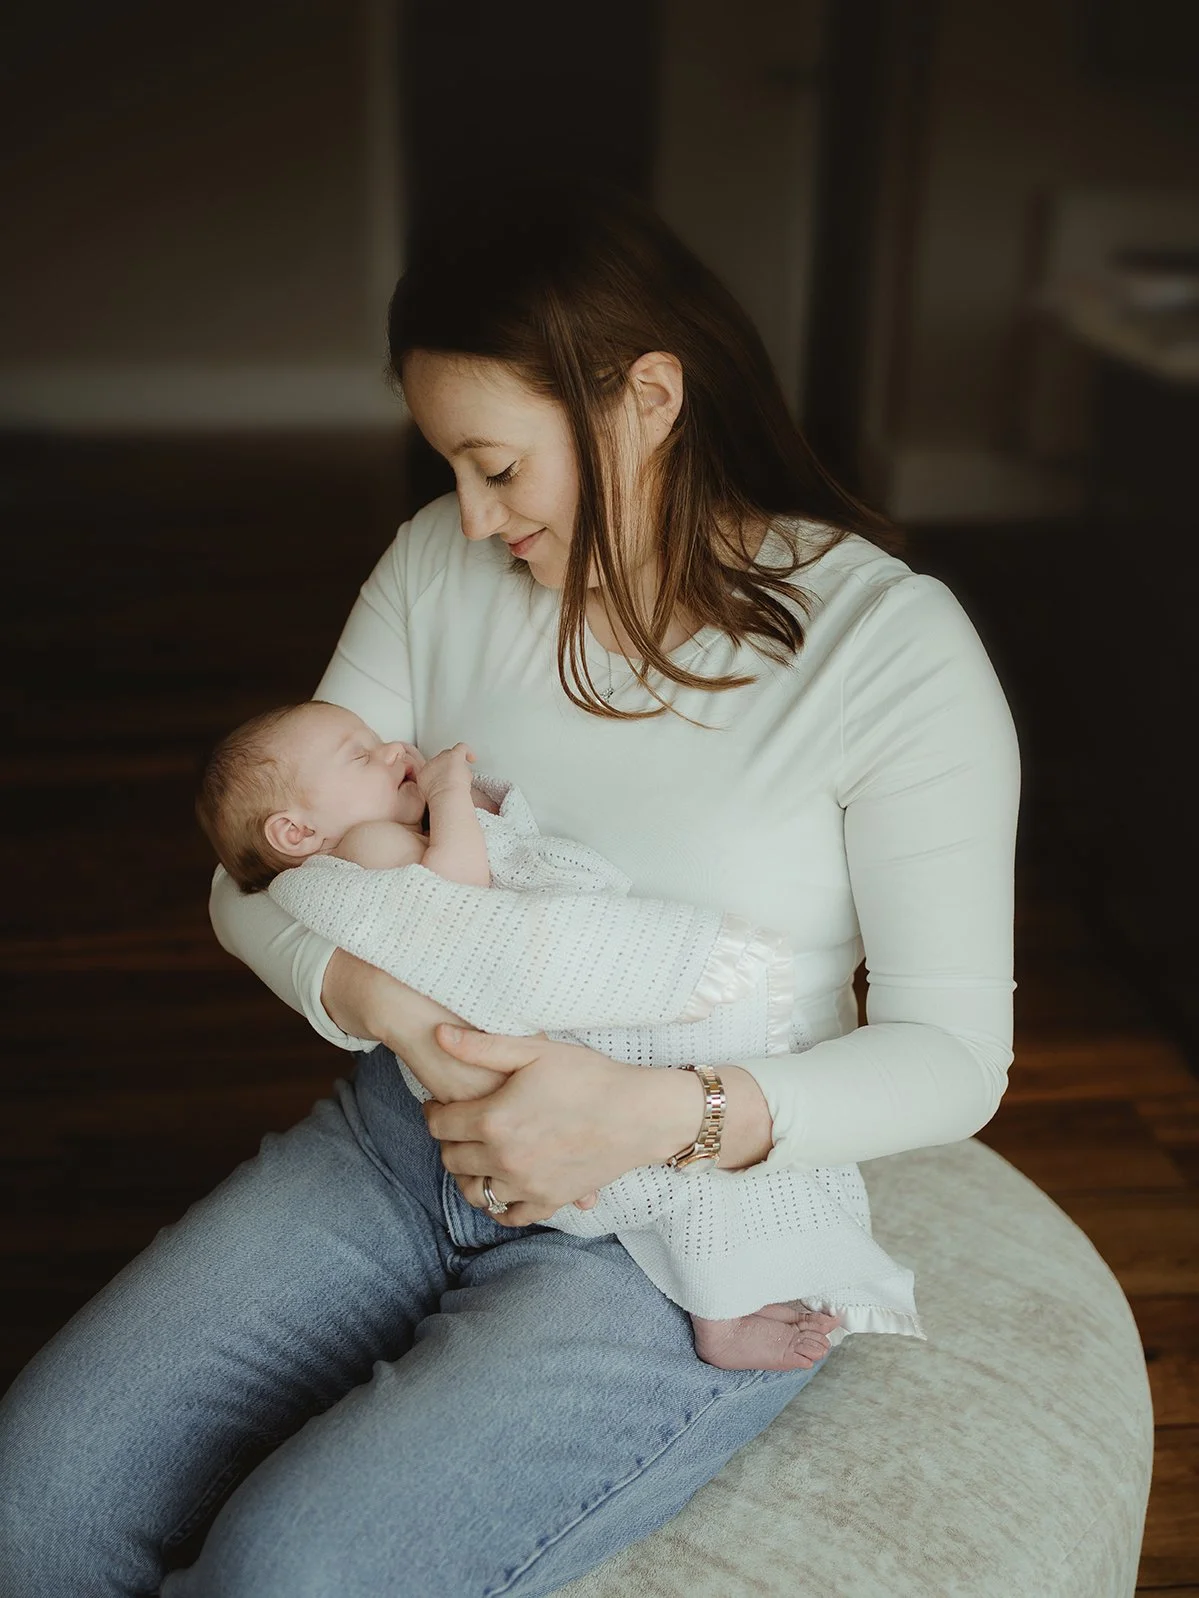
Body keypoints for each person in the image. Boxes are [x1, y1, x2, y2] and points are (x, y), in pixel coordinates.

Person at [0, 182, 1019, 1597]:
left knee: (292, 1574)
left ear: (644, 398)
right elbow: (256, 874)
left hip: (671, 1224)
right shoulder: (435, 566)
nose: (467, 519)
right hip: (396, 1141)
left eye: (495, 467)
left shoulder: (887, 649)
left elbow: (953, 1058)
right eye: (450, 469)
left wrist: (644, 1115)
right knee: (29, 1504)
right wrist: (397, 1017)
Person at [193, 700, 927, 1363]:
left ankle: (722, 1308)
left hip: (529, 1083)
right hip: (498, 1062)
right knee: (673, 1175)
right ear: (295, 831)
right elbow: (457, 898)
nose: (392, 749)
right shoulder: (364, 853)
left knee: (665, 1169)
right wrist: (449, 793)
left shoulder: (356, 849)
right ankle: (725, 1306)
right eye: (361, 756)